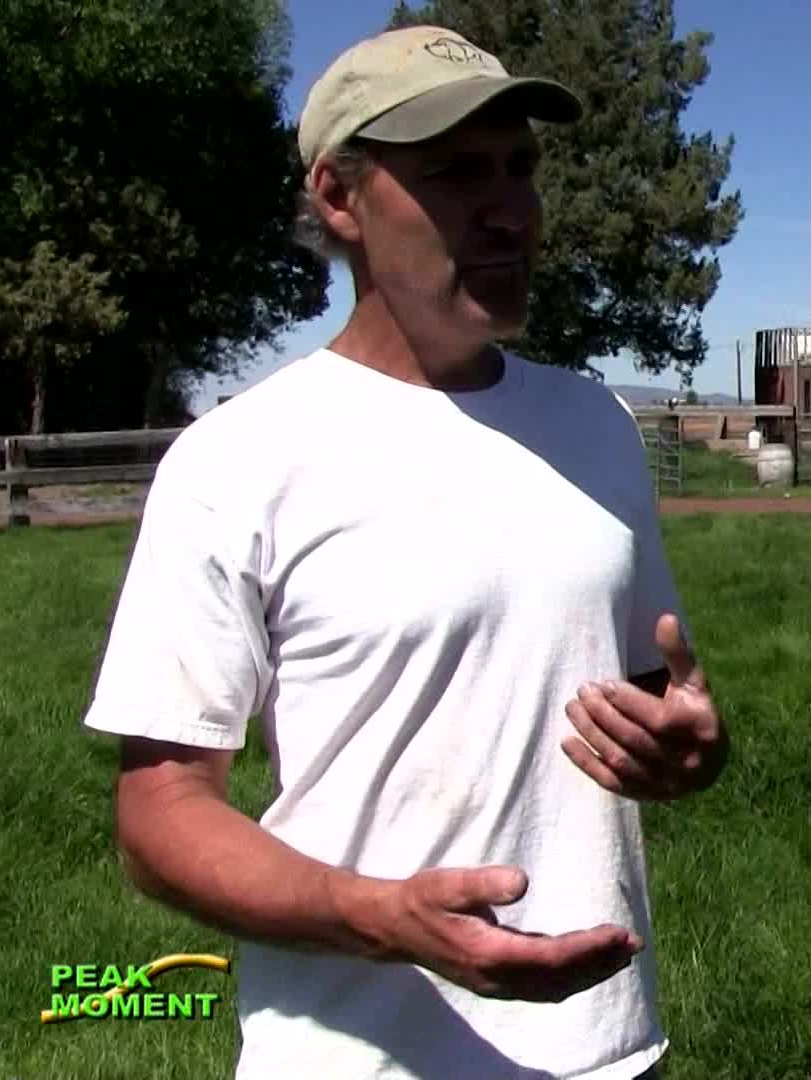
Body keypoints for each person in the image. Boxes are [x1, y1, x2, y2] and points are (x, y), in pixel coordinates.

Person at [82, 26, 725, 1080]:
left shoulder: (595, 425)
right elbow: (158, 815)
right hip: (357, 1056)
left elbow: (647, 706)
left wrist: (694, 752)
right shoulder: (238, 461)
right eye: (457, 173)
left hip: (607, 1050)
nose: (510, 207)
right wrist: (378, 916)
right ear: (341, 198)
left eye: (520, 168)